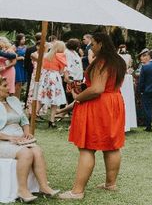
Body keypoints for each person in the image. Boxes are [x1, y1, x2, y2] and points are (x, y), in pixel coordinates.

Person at [58, 32, 127, 200]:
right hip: (114, 102)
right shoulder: (118, 61)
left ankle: (77, 191)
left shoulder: (101, 62)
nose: (91, 47)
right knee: (112, 145)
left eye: (93, 44)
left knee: (87, 148)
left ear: (101, 44)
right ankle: (111, 184)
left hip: (100, 105)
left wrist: (77, 99)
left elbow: (97, 89)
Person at [0, 76, 60, 202]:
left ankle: (44, 187)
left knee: (37, 151)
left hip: (20, 138)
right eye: (5, 86)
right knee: (26, 153)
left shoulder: (14, 100)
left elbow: (24, 120)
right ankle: (22, 190)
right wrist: (10, 138)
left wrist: (27, 133)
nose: (9, 88)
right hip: (3, 140)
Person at [35, 41, 69, 127]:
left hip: (45, 77)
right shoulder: (61, 57)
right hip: (55, 77)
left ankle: (34, 114)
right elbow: (61, 71)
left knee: (43, 97)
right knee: (55, 99)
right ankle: (52, 120)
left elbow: (43, 66)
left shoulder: (46, 55)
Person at [64, 39, 85, 104]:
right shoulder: (67, 53)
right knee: (71, 92)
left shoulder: (74, 52)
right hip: (72, 75)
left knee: (76, 92)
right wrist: (68, 76)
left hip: (78, 76)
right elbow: (68, 65)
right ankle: (69, 109)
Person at [23, 34, 40, 99]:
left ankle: (27, 102)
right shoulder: (44, 50)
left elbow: (25, 61)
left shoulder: (29, 48)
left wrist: (27, 69)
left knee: (30, 86)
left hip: (30, 70)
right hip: (34, 70)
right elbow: (26, 60)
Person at [14, 34, 27, 100]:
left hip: (23, 66)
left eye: (24, 39)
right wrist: (20, 58)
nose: (24, 40)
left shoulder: (26, 47)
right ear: (18, 40)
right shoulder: (15, 47)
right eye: (22, 39)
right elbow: (12, 57)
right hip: (17, 65)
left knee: (20, 83)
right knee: (17, 82)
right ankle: (13, 98)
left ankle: (17, 99)